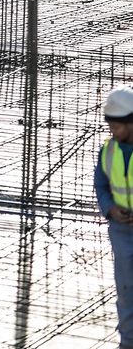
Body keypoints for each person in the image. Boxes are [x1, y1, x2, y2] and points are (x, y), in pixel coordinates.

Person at [95, 84, 133, 348]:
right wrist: (110, 209)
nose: (112, 131)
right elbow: (101, 186)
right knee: (127, 293)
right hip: (122, 231)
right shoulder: (108, 150)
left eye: (117, 126)